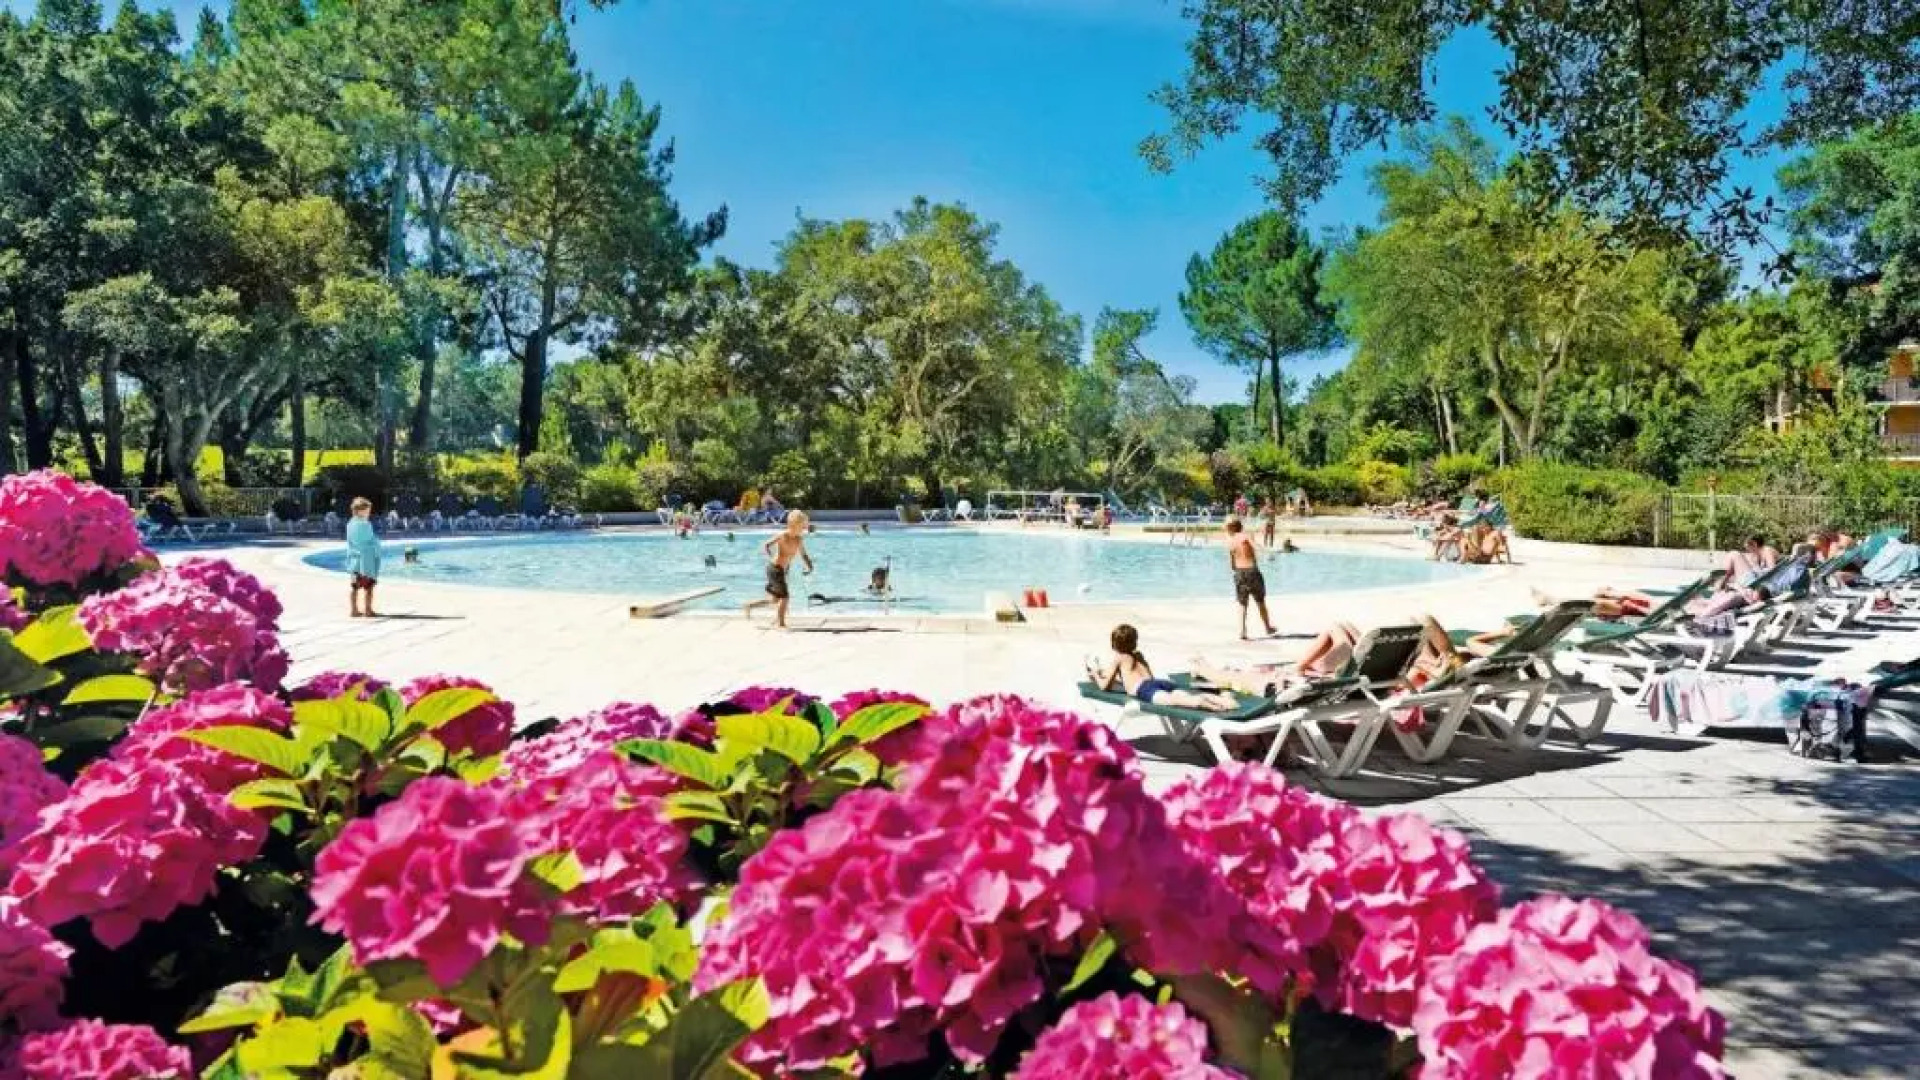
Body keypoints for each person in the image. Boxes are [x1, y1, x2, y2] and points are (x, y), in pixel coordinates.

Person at [1088, 625, 1239, 711]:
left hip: (1145, 689)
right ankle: (1222, 699)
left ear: (1114, 644)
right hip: (1157, 683)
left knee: (1175, 701)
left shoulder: (1119, 658)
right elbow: (1147, 677)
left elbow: (1104, 686)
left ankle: (1207, 705)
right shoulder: (1138, 655)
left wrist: (1095, 674)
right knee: (1181, 694)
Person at [744, 511, 813, 629]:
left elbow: (804, 555)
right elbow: (766, 545)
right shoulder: (783, 535)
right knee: (785, 597)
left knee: (775, 600)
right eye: (801, 527)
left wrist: (809, 566)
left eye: (804, 527)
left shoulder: (799, 539)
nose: (803, 529)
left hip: (781, 571)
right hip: (774, 569)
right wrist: (772, 557)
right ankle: (781, 624)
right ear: (793, 525)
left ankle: (749, 605)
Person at [1226, 517, 1277, 640]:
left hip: (1239, 572)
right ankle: (1268, 627)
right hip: (1252, 571)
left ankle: (1242, 631)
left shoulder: (1231, 541)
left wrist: (1237, 570)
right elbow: (1256, 546)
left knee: (1242, 603)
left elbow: (1232, 565)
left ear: (1230, 529)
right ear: (1240, 526)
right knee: (1260, 601)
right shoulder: (1246, 536)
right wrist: (1267, 553)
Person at [345, 497, 382, 618]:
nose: (368, 513)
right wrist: (377, 545)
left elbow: (351, 541)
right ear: (359, 511)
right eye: (367, 511)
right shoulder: (365, 525)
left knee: (354, 587)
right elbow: (369, 540)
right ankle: (368, 610)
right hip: (365, 561)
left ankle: (353, 610)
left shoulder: (350, 524)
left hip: (354, 560)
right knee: (368, 587)